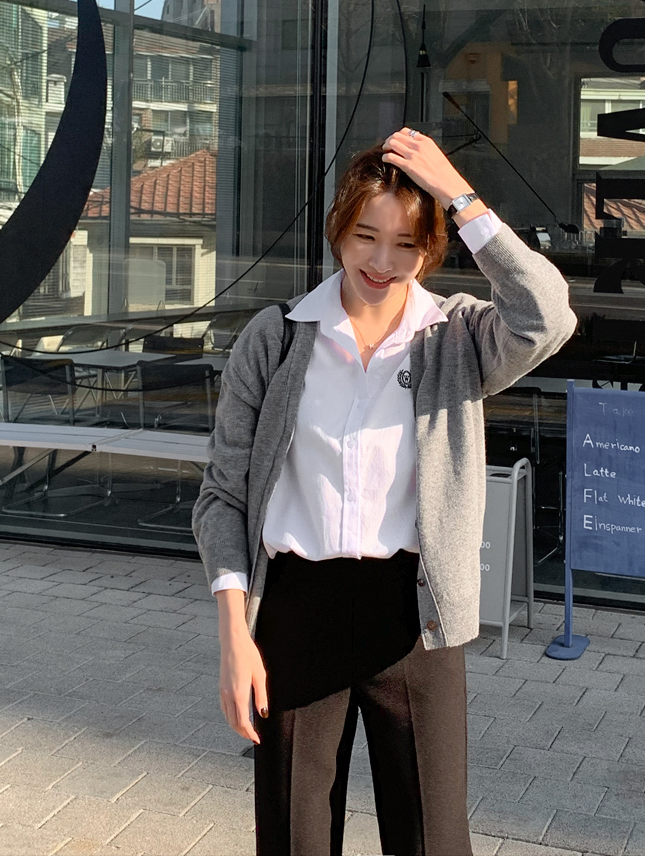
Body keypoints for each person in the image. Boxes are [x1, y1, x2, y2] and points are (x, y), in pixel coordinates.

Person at [192, 127, 577, 856]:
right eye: (366, 235)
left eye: (406, 244)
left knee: (434, 840)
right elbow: (224, 498)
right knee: (296, 839)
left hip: (413, 617)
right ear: (339, 228)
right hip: (297, 612)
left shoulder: (456, 338)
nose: (381, 260)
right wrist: (234, 636)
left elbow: (548, 315)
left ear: (430, 250)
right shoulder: (276, 339)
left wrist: (458, 195)